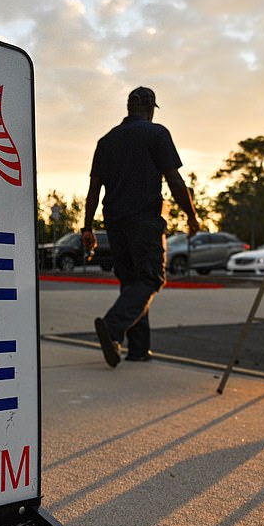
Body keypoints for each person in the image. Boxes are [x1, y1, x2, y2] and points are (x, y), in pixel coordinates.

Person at [81, 86, 200, 367]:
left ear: (128, 107)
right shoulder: (156, 134)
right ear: (150, 109)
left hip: (114, 221)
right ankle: (112, 328)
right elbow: (175, 181)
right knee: (150, 279)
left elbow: (93, 189)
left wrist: (86, 228)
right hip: (144, 220)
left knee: (132, 283)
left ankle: (137, 348)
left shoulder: (105, 141)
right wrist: (192, 216)